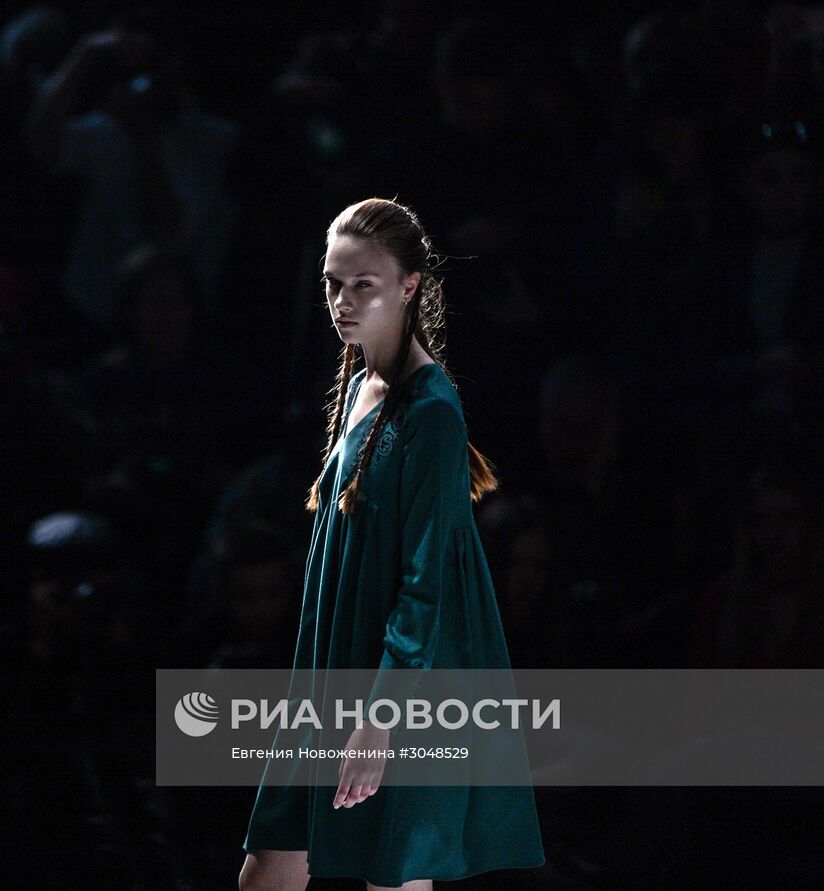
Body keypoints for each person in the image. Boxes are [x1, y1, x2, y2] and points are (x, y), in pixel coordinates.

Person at [239, 198, 545, 890]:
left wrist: (379, 721)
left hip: (399, 684)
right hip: (331, 673)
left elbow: (427, 579)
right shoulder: (359, 387)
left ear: (410, 284)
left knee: (394, 873)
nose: (341, 301)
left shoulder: (433, 410)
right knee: (268, 872)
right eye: (331, 283)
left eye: (362, 284)